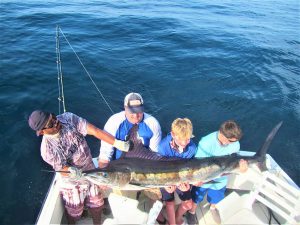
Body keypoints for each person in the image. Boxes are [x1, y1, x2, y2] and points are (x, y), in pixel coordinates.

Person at [28, 110, 129, 225]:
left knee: (97, 204)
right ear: (42, 132)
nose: (56, 122)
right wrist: (70, 170)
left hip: (91, 170)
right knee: (74, 212)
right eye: (51, 124)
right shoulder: (47, 150)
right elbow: (62, 169)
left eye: (54, 117)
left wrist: (117, 143)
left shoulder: (68, 118)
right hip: (72, 181)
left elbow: (95, 131)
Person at [186, 120, 248, 224]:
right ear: (223, 136)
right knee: (197, 197)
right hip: (204, 179)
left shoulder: (235, 143)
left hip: (221, 178)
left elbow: (233, 162)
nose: (235, 143)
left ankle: (213, 208)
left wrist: (242, 169)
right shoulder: (205, 143)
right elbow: (197, 166)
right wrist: (197, 180)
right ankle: (191, 212)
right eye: (232, 141)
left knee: (217, 196)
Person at [98, 92, 162, 168]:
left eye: (138, 110)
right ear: (125, 108)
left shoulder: (153, 124)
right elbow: (105, 155)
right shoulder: (113, 122)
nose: (135, 115)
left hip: (145, 167)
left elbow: (155, 154)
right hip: (118, 167)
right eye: (132, 111)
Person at [156, 118, 197, 225]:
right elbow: (159, 169)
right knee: (170, 203)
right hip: (166, 179)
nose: (184, 143)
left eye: (188, 139)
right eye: (181, 139)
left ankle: (178, 217)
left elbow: (190, 168)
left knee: (188, 204)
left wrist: (187, 184)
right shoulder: (162, 147)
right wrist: (166, 185)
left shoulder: (192, 148)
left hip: (183, 178)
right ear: (173, 135)